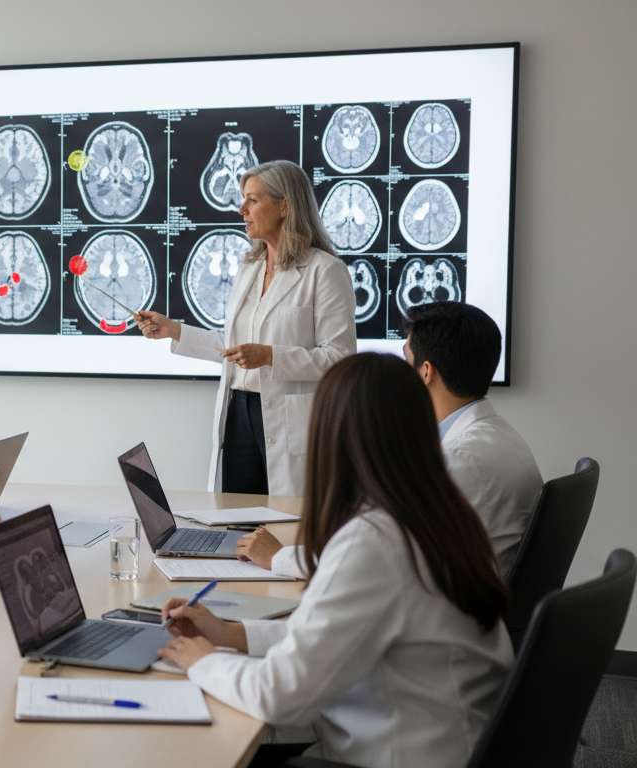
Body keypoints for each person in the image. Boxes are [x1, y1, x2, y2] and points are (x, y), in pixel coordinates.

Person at [158, 353, 513, 768]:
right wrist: (230, 634)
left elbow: (280, 697)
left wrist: (205, 662)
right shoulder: (440, 513)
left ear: (333, 435)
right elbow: (333, 638)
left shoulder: (374, 542)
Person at [238, 301, 542, 578]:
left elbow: (373, 566)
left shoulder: (459, 461)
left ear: (425, 372)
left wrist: (278, 556)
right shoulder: (501, 437)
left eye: (404, 358)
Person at [137, 160, 356, 497]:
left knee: (285, 522)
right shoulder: (249, 266)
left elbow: (340, 358)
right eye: (244, 199)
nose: (242, 209)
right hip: (238, 411)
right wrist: (173, 330)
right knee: (237, 519)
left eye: (253, 200)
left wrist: (270, 356)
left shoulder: (324, 271)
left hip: (289, 418)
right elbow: (235, 347)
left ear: (285, 206)